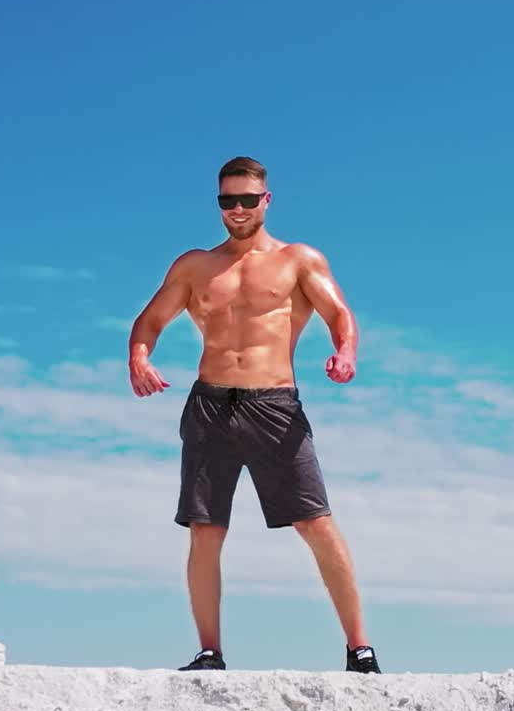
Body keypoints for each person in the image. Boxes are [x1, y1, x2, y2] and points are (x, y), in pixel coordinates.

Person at [127, 156, 381, 675]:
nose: (237, 209)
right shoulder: (195, 266)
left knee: (316, 523)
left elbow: (339, 314)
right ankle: (209, 652)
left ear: (266, 200)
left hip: (274, 407)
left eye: (247, 199)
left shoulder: (297, 260)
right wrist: (140, 358)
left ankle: (360, 650)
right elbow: (149, 321)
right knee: (205, 529)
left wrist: (346, 351)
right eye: (228, 201)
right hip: (210, 406)